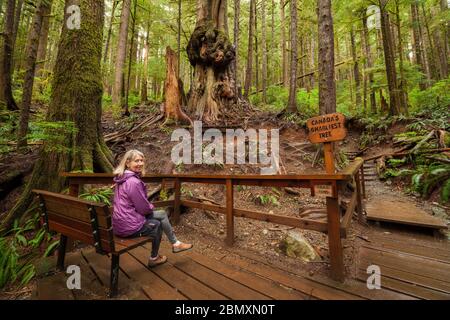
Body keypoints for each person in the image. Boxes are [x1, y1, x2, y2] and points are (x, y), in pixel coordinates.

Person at [112, 149, 193, 267]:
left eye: (141, 160)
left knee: (161, 214)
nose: (140, 163)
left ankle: (176, 244)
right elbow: (144, 209)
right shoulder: (133, 182)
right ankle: (154, 258)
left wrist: (149, 206)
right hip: (128, 226)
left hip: (122, 222)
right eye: (136, 161)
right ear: (127, 163)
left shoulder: (122, 177)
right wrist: (150, 206)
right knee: (157, 224)